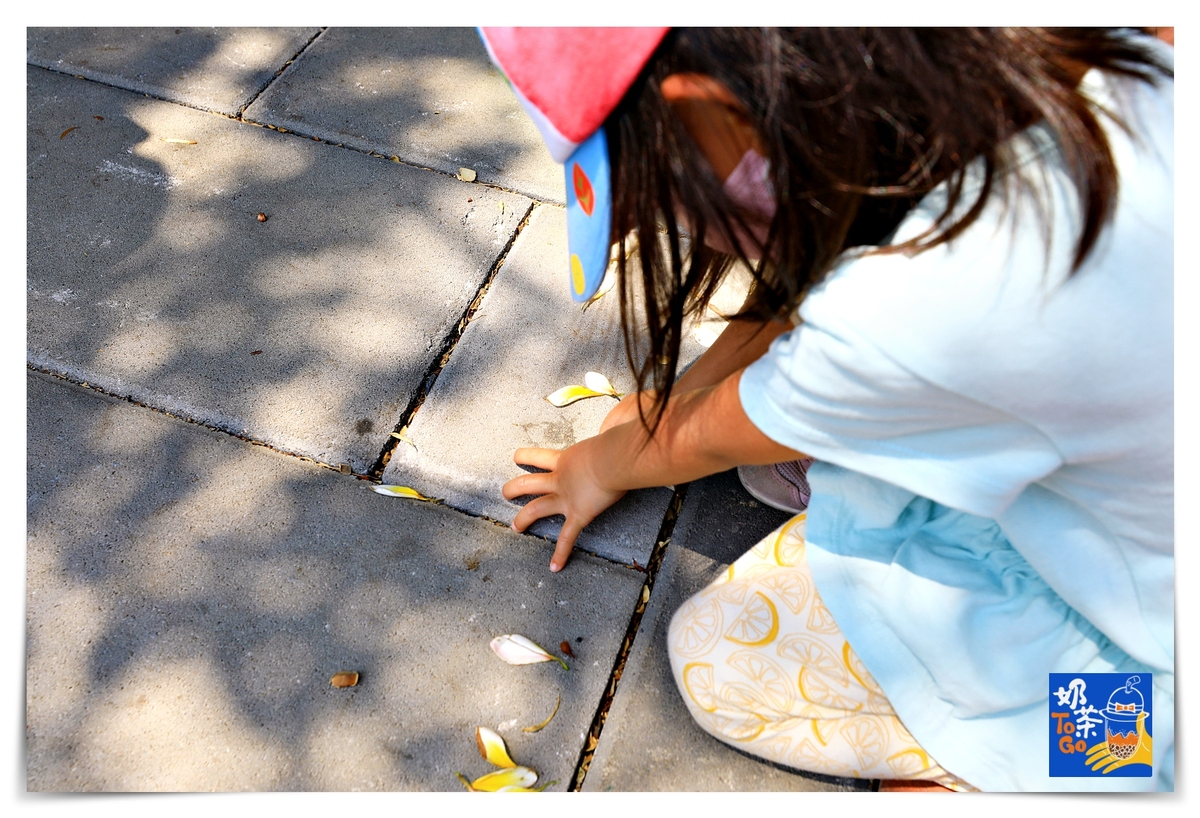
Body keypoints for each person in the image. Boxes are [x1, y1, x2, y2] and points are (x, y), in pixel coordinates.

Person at [481, 28, 1173, 792]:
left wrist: (600, 463)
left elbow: (711, 435)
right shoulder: (1081, 56)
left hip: (1157, 647)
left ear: (718, 114)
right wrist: (673, 404)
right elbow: (805, 289)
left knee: (721, 662)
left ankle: (1104, 771)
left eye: (652, 198)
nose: (649, 226)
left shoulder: (912, 314)